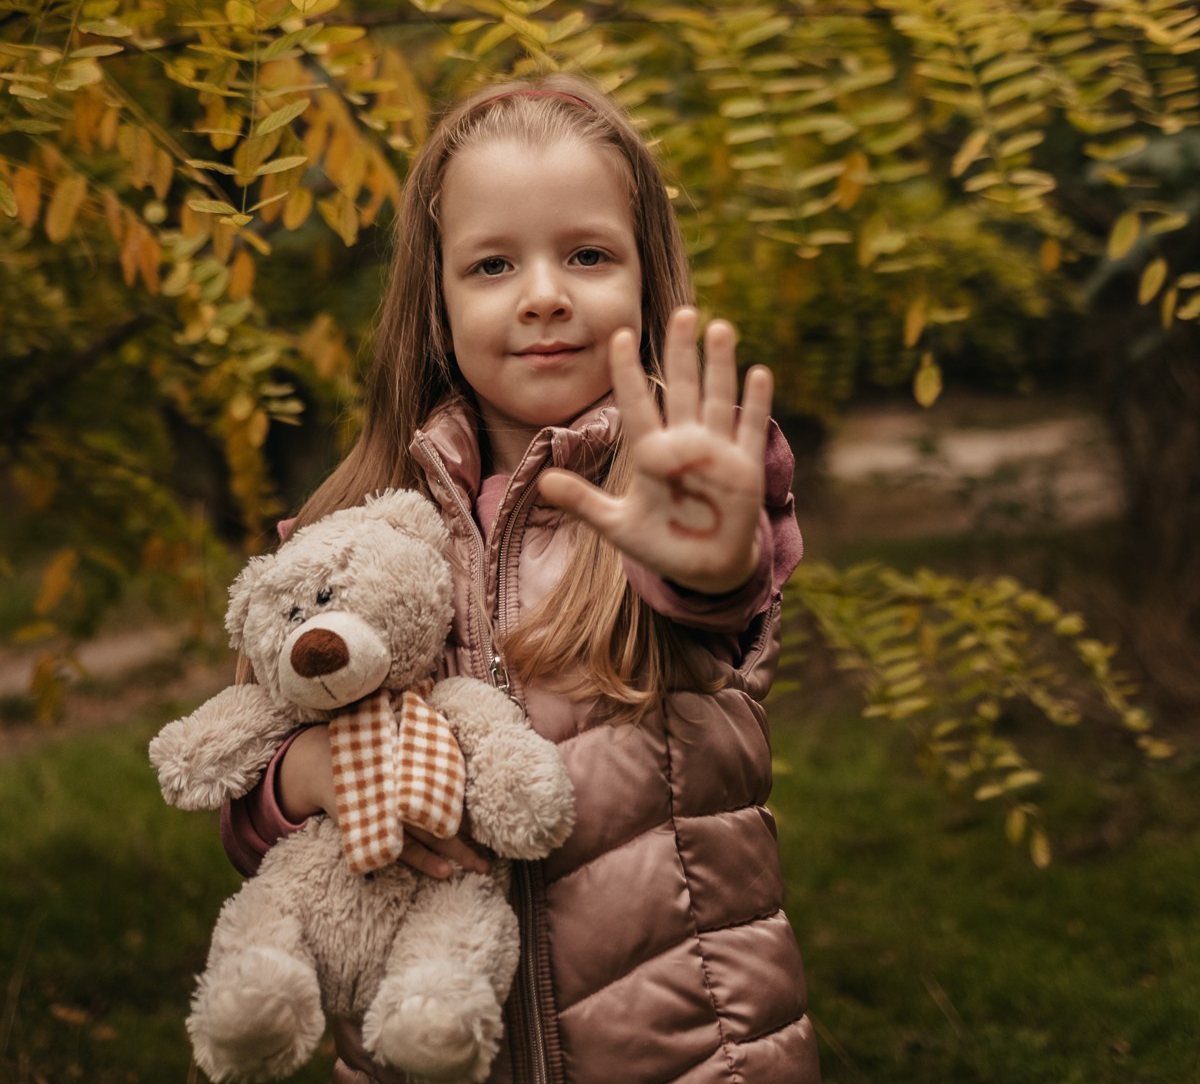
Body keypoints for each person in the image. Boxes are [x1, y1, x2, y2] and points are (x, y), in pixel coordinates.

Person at [221, 75, 820, 1083]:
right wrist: (299, 781)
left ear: (646, 279)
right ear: (438, 304)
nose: (544, 293)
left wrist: (714, 562)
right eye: (493, 264)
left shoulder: (678, 496)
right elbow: (249, 808)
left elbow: (724, 598)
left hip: (689, 1054)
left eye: (588, 255)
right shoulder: (354, 531)